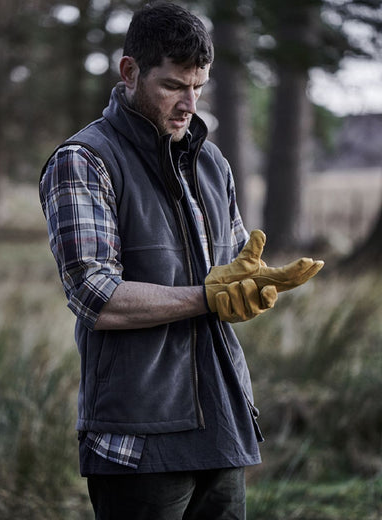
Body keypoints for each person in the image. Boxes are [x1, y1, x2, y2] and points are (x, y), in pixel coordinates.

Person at [39, 2, 323, 519]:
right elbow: (95, 295)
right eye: (173, 85)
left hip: (223, 423)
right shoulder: (83, 161)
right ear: (130, 73)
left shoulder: (211, 161)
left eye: (199, 86)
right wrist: (209, 296)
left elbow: (233, 266)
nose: (189, 102)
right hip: (138, 437)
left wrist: (254, 283)